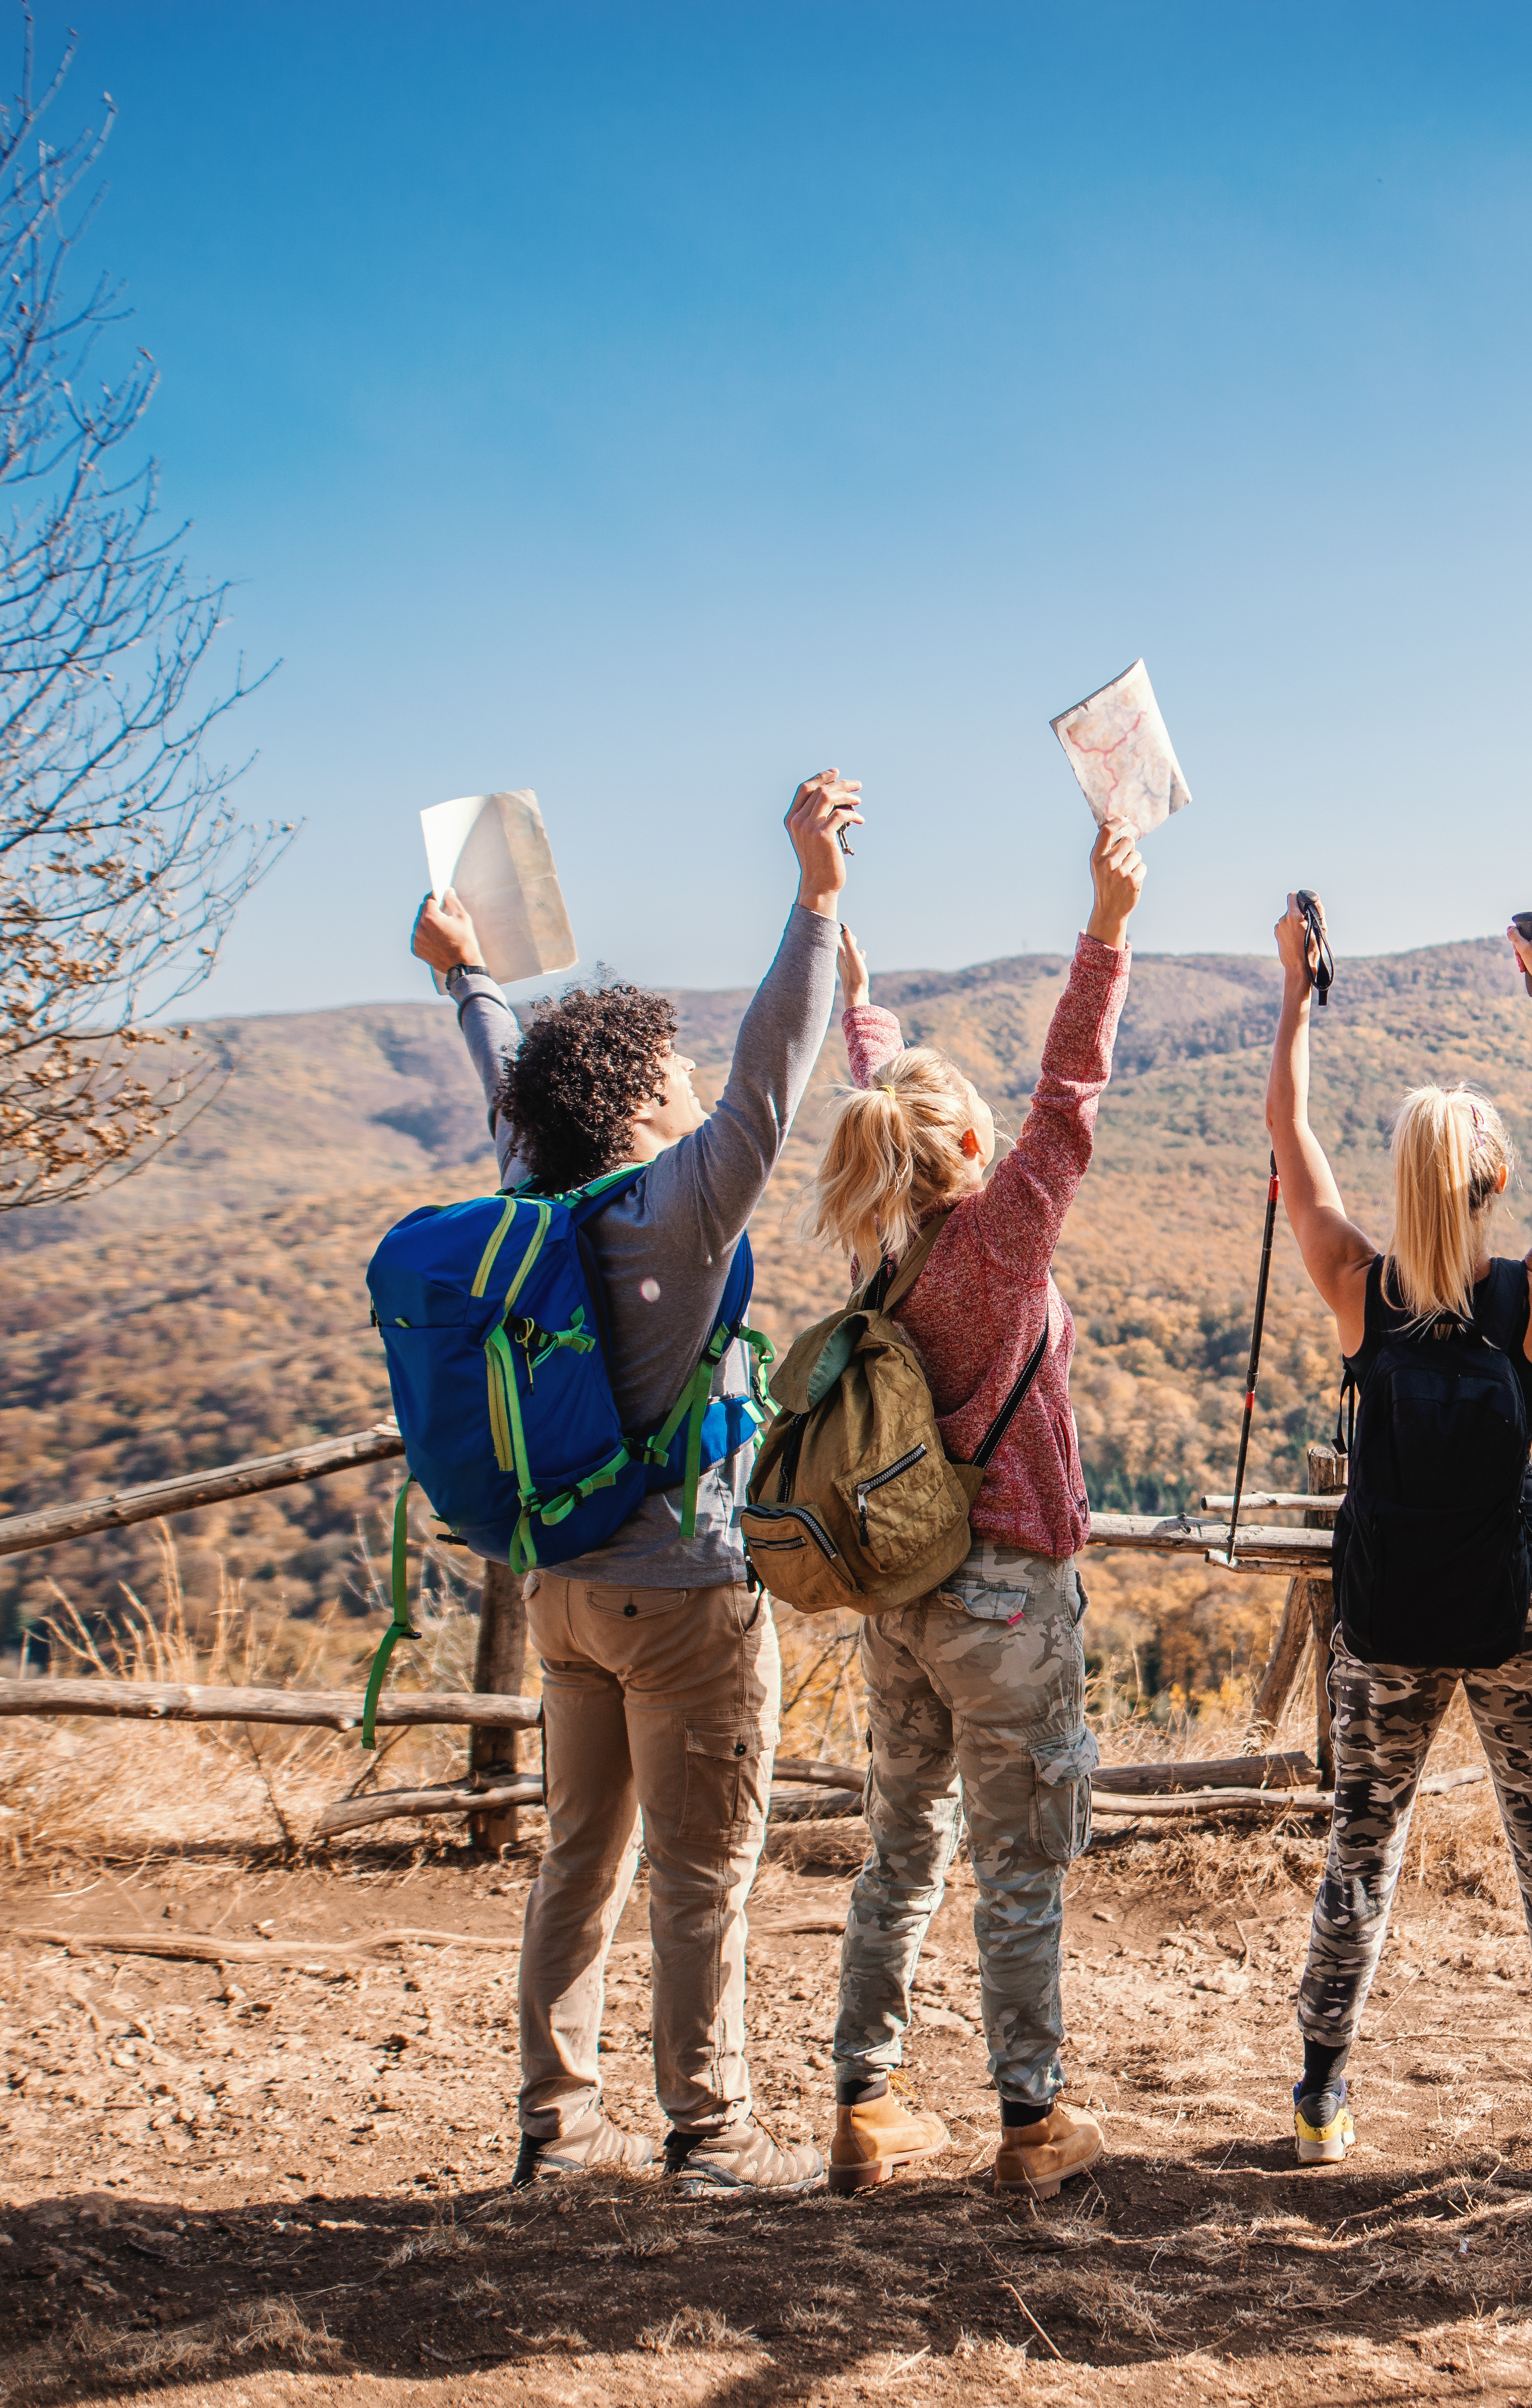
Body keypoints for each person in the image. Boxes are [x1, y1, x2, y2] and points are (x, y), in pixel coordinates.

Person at [411, 769, 856, 2195]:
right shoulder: (680, 1206)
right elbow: (776, 1082)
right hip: (684, 1602)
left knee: (578, 1865)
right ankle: (712, 2137)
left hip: (564, 1599)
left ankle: (559, 2131)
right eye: (666, 1069)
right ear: (635, 1101)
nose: (687, 1080)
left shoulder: (533, 1202)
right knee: (702, 1879)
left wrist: (470, 974)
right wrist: (818, 896)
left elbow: (502, 1076)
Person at [1261, 907, 1532, 2186]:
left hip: (1382, 1615)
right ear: (1491, 1185)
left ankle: (1321, 2095)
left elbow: (1289, 1134)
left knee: (1358, 1848)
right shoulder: (1531, 1300)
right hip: (1517, 1617)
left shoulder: (1351, 1287)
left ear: (1403, 1189)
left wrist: (1295, 996)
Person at [821, 815, 1145, 2199]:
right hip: (1011, 1595)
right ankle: (1031, 2125)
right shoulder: (1000, 1239)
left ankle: (867, 2104)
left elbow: (891, 1090)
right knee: (1018, 1866)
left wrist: (856, 1000)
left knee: (902, 1850)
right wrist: (1110, 921)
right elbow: (1070, 1086)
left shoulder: (887, 1232)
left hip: (901, 1597)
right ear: (968, 1141)